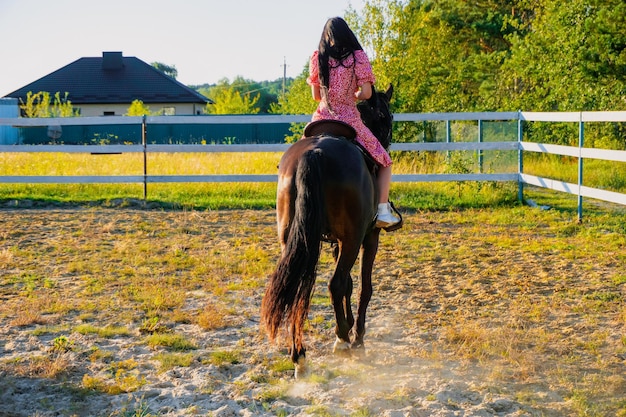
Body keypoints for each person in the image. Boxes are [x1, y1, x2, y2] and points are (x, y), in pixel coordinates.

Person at [306, 16, 401, 229]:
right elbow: (367, 93)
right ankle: (384, 211)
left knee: (299, 154)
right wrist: (353, 95)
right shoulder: (357, 57)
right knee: (384, 160)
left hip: (321, 118)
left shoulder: (317, 57)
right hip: (348, 118)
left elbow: (316, 96)